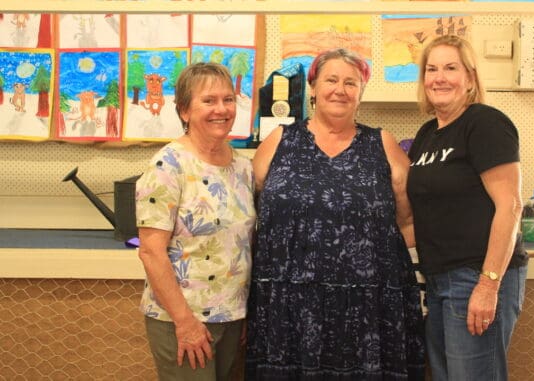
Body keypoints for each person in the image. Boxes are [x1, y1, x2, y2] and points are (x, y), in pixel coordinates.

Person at [245, 48, 425, 380]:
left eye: (350, 82)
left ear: (361, 93)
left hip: (366, 306)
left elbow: (409, 220)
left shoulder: (381, 143)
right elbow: (248, 212)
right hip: (289, 304)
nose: (339, 89)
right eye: (331, 79)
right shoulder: (280, 140)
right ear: (312, 87)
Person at [406, 35, 529, 381]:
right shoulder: (427, 134)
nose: (439, 77)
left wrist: (488, 285)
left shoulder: (485, 123)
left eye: (450, 68)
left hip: (476, 276)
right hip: (438, 279)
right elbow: (428, 213)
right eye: (431, 69)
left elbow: (511, 205)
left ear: (471, 78)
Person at [135, 62, 256, 380]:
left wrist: (240, 314)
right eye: (209, 100)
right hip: (184, 320)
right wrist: (184, 321)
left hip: (231, 318)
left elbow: (242, 244)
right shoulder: (167, 165)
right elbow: (150, 251)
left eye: (228, 100)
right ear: (185, 111)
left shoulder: (243, 168)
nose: (222, 109)